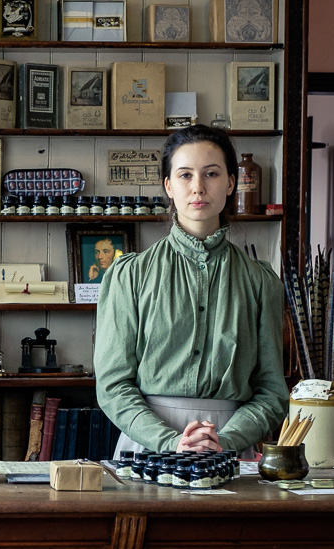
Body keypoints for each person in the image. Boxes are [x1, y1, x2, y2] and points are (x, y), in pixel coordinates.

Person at [94, 124, 287, 456]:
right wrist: (170, 441)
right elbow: (112, 386)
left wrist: (226, 440)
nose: (198, 187)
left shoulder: (260, 282)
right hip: (147, 447)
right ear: (169, 186)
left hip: (228, 448)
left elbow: (272, 392)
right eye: (185, 175)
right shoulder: (130, 276)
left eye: (211, 174)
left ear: (230, 183)